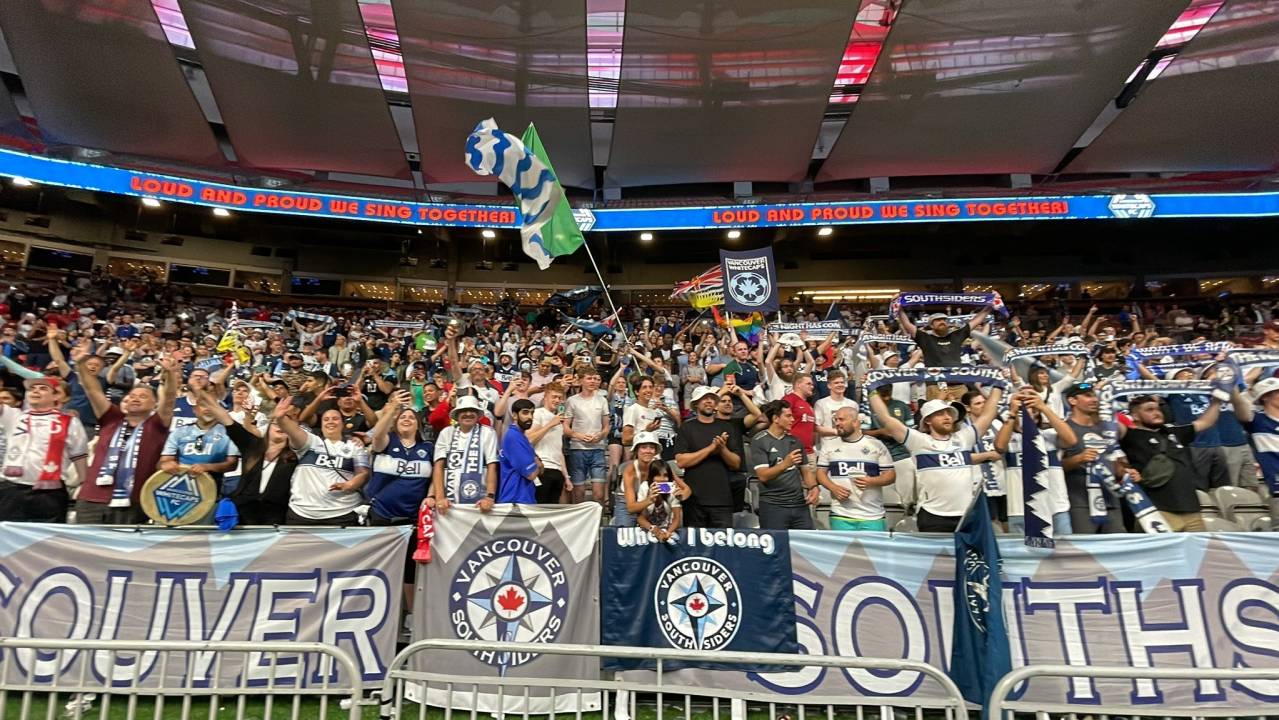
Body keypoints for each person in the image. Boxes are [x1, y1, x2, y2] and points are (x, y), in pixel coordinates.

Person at [869, 383, 1004, 532]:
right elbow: (886, 419)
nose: (947, 417)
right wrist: (871, 390)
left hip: (967, 515)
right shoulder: (919, 441)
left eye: (949, 414)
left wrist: (998, 386)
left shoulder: (964, 438)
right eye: (940, 414)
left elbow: (988, 414)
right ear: (927, 420)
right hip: (933, 516)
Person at [74, 353, 177, 524]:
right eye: (132, 396)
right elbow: (92, 390)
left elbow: (170, 399)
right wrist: (80, 363)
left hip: (133, 501)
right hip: (91, 499)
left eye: (143, 396)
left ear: (154, 404)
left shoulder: (157, 425)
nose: (136, 398)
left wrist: (171, 375)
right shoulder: (111, 418)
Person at [1119, 393, 1226, 532]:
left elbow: (1205, 422)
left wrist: (1216, 401)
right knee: (1161, 554)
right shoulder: (1130, 435)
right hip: (1157, 511)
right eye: (1149, 410)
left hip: (1191, 509)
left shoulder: (1172, 432)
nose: (1157, 413)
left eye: (1158, 409)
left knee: (1197, 553)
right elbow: (1110, 426)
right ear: (1135, 416)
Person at [194, 387, 296, 525]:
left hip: (277, 517)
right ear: (268, 427)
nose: (280, 427)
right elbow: (225, 418)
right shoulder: (252, 445)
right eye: (276, 423)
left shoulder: (295, 455)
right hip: (244, 515)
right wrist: (200, 392)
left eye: (285, 424)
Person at [0, 376, 90, 522]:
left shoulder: (70, 422)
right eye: (31, 389)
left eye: (43, 388)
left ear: (55, 396)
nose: (36, 391)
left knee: (46, 539)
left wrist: (84, 485)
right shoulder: (14, 416)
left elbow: (79, 456)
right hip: (12, 489)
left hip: (50, 493)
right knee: (7, 538)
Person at [993, 388, 1078, 536]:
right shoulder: (1010, 437)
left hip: (1055, 507)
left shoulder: (1049, 435)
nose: (1026, 412)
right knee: (1024, 556)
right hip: (1021, 509)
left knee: (1065, 555)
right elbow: (1000, 446)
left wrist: (1043, 407)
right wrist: (1012, 412)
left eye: (1031, 408)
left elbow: (1071, 440)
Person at [274, 397, 370, 526]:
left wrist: (351, 484)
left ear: (342, 423)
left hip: (342, 513)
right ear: (321, 424)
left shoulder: (355, 445)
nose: (330, 422)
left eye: (335, 419)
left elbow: (363, 473)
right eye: (326, 419)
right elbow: (293, 430)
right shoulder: (311, 441)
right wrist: (281, 418)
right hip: (302, 513)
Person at [1059, 382, 1127, 533]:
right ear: (1072, 401)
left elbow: (1114, 460)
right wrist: (1078, 459)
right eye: (1088, 396)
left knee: (1118, 547)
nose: (1095, 400)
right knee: (1085, 550)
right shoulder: (1064, 429)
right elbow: (1054, 466)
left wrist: (1125, 473)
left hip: (1111, 499)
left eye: (1095, 396)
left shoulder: (1106, 428)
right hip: (1080, 502)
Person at [817, 406, 896, 531]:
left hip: (872, 515)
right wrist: (833, 487)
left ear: (855, 422)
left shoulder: (875, 445)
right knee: (841, 551)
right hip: (840, 515)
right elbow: (820, 473)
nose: (837, 423)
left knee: (874, 551)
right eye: (835, 420)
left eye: (841, 419)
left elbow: (891, 475)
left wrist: (871, 481)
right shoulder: (829, 445)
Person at [674, 386, 742, 528]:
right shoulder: (687, 428)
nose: (709, 401)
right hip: (693, 500)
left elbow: (736, 463)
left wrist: (722, 448)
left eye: (712, 398)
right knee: (695, 547)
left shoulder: (727, 428)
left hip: (722, 500)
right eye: (705, 398)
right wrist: (711, 448)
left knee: (723, 547)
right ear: (696, 404)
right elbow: (681, 461)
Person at [752, 400, 818, 529]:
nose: (793, 419)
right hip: (773, 506)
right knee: (777, 547)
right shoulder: (760, 441)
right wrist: (785, 464)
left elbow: (805, 470)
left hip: (799, 504)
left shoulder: (795, 441)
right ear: (776, 418)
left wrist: (813, 487)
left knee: (805, 546)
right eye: (788, 416)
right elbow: (763, 476)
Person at [432, 395, 498, 513]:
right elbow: (438, 467)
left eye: (472, 411)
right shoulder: (446, 433)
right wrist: (440, 497)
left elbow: (491, 466)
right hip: (449, 503)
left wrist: (489, 496)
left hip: (480, 502)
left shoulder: (488, 432)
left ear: (478, 415)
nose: (468, 414)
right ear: (457, 416)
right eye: (463, 411)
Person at [565, 366, 609, 505]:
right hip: (578, 449)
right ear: (581, 381)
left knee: (599, 494)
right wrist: (578, 436)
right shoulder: (572, 400)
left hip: (598, 449)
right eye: (589, 378)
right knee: (579, 493)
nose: (592, 381)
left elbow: (607, 426)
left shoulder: (602, 400)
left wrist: (600, 435)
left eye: (595, 379)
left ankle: (599, 523)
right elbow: (565, 427)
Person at [897, 308, 990, 368]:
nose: (942, 322)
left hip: (958, 383)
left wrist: (990, 305)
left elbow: (976, 321)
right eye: (938, 320)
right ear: (931, 326)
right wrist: (899, 307)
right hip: (935, 384)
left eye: (944, 320)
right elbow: (907, 325)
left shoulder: (956, 336)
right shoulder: (925, 338)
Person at [527, 383, 568, 504]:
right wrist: (550, 424)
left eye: (560, 398)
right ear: (545, 397)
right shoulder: (538, 413)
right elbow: (529, 439)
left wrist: (566, 476)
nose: (557, 400)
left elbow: (559, 450)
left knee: (552, 511)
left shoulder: (559, 420)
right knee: (539, 508)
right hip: (542, 468)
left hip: (557, 470)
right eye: (554, 397)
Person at [497, 398, 540, 504]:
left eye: (532, 413)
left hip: (521, 497)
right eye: (525, 412)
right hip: (515, 499)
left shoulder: (520, 436)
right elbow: (531, 474)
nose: (530, 417)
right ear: (515, 415)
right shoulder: (514, 437)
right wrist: (538, 463)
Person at [632, 459, 682, 542]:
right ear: (652, 477)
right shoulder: (645, 487)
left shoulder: (673, 489)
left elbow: (677, 518)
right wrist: (649, 499)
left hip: (667, 529)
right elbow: (640, 517)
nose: (662, 479)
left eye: (665, 475)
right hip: (647, 529)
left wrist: (668, 532)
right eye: (658, 475)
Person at [814, 370, 856, 450]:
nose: (840, 385)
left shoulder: (853, 404)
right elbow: (817, 427)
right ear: (829, 385)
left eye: (842, 382)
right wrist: (838, 432)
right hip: (828, 447)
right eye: (836, 383)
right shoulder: (820, 403)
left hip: (849, 447)